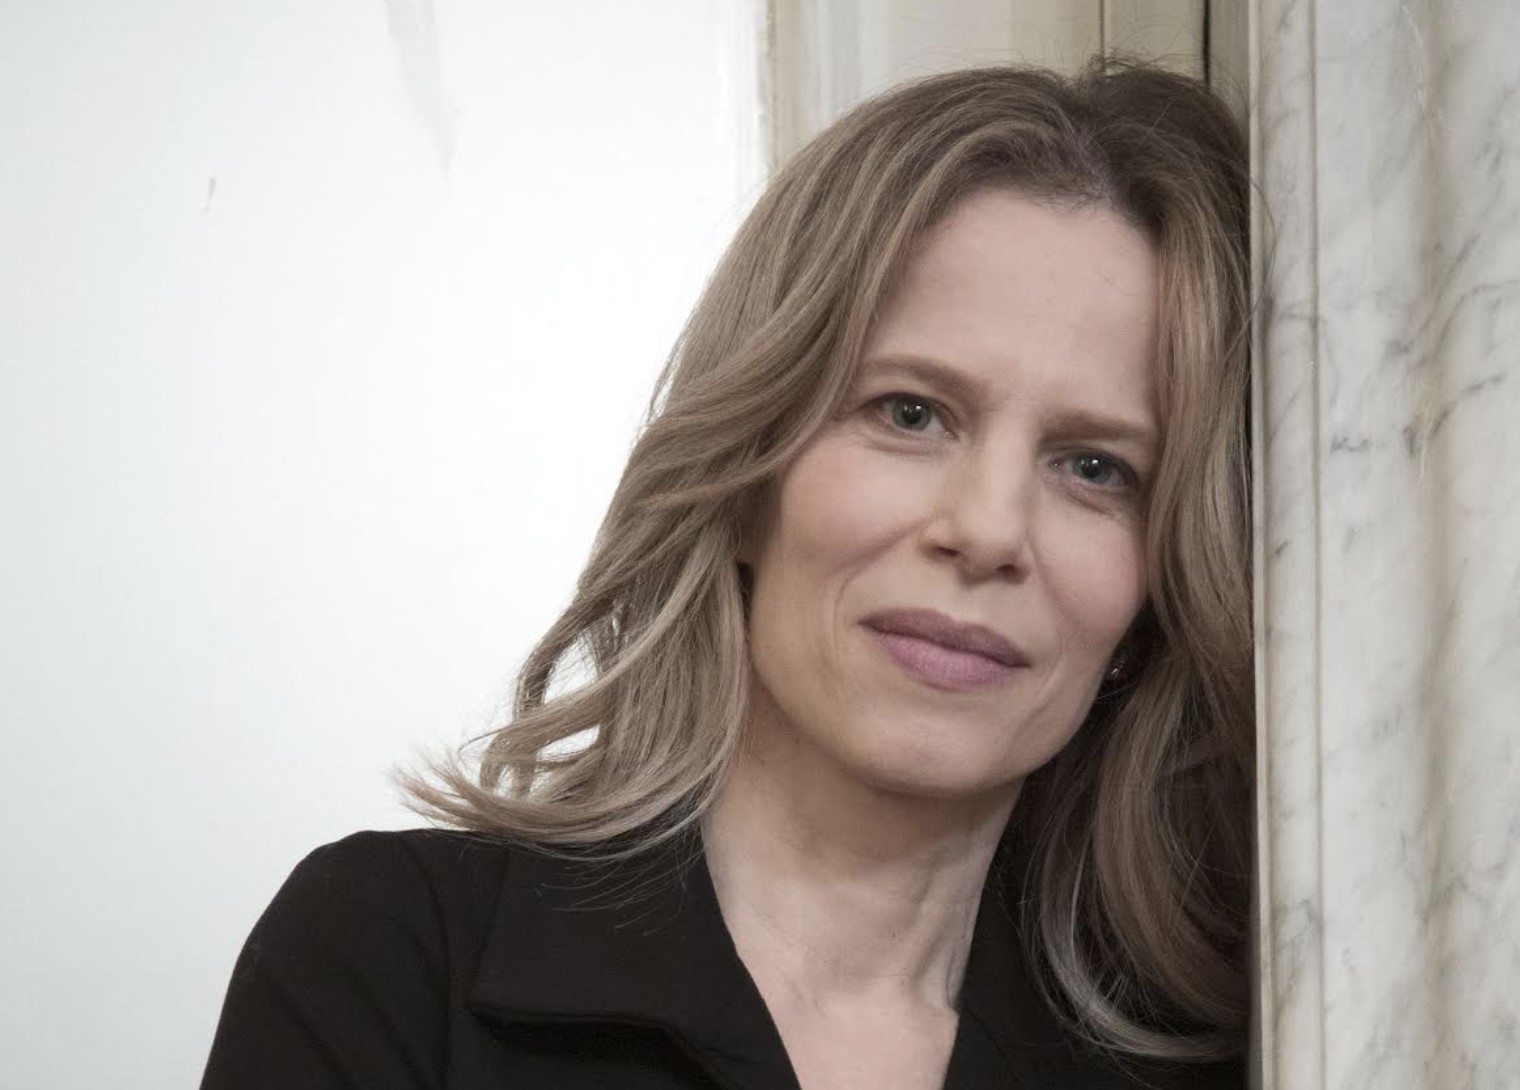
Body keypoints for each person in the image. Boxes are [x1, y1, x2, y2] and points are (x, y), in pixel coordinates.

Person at [201, 57, 1253, 1090]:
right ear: (747, 474)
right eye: (909, 412)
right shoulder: (391, 961)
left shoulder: (1244, 1055)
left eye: (1094, 467)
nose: (986, 529)